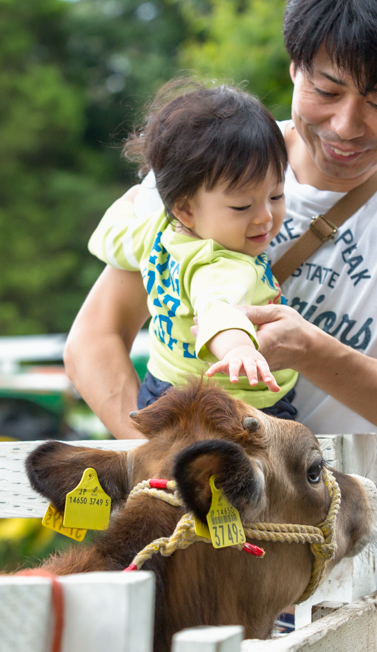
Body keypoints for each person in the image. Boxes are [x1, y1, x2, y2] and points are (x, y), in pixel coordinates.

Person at [64, 0, 377, 589]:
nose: (347, 124)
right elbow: (94, 339)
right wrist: (177, 469)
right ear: (294, 67)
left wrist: (313, 351)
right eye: (328, 89)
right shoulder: (206, 158)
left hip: (331, 563)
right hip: (190, 553)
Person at [89, 80, 298, 417]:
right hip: (233, 406)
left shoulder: (155, 229)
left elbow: (107, 239)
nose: (266, 217)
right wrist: (240, 351)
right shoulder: (221, 263)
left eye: (276, 196)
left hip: (159, 389)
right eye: (242, 207)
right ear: (186, 208)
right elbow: (219, 309)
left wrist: (130, 201)